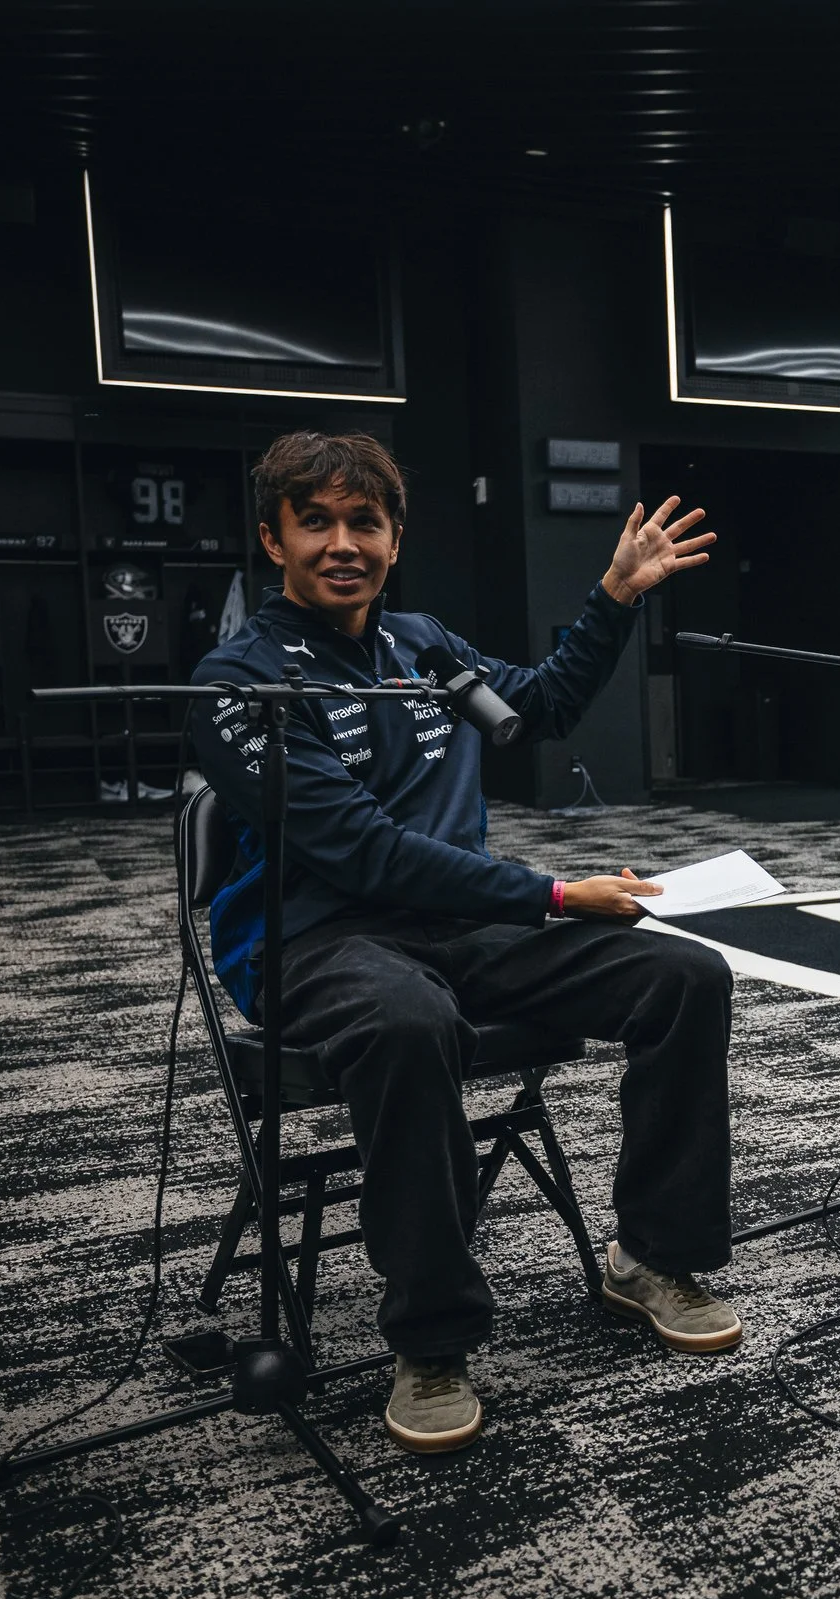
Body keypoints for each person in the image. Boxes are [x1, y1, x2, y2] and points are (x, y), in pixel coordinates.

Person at [189, 431, 741, 1457]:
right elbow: (359, 854)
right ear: (274, 539)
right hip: (317, 942)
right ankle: (432, 1338)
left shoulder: (423, 646)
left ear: (396, 539)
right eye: (317, 521)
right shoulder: (241, 680)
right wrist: (552, 893)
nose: (343, 542)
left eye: (366, 522)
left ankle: (653, 1256)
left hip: (464, 927)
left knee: (684, 977)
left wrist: (613, 600)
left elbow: (536, 709)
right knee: (409, 1022)